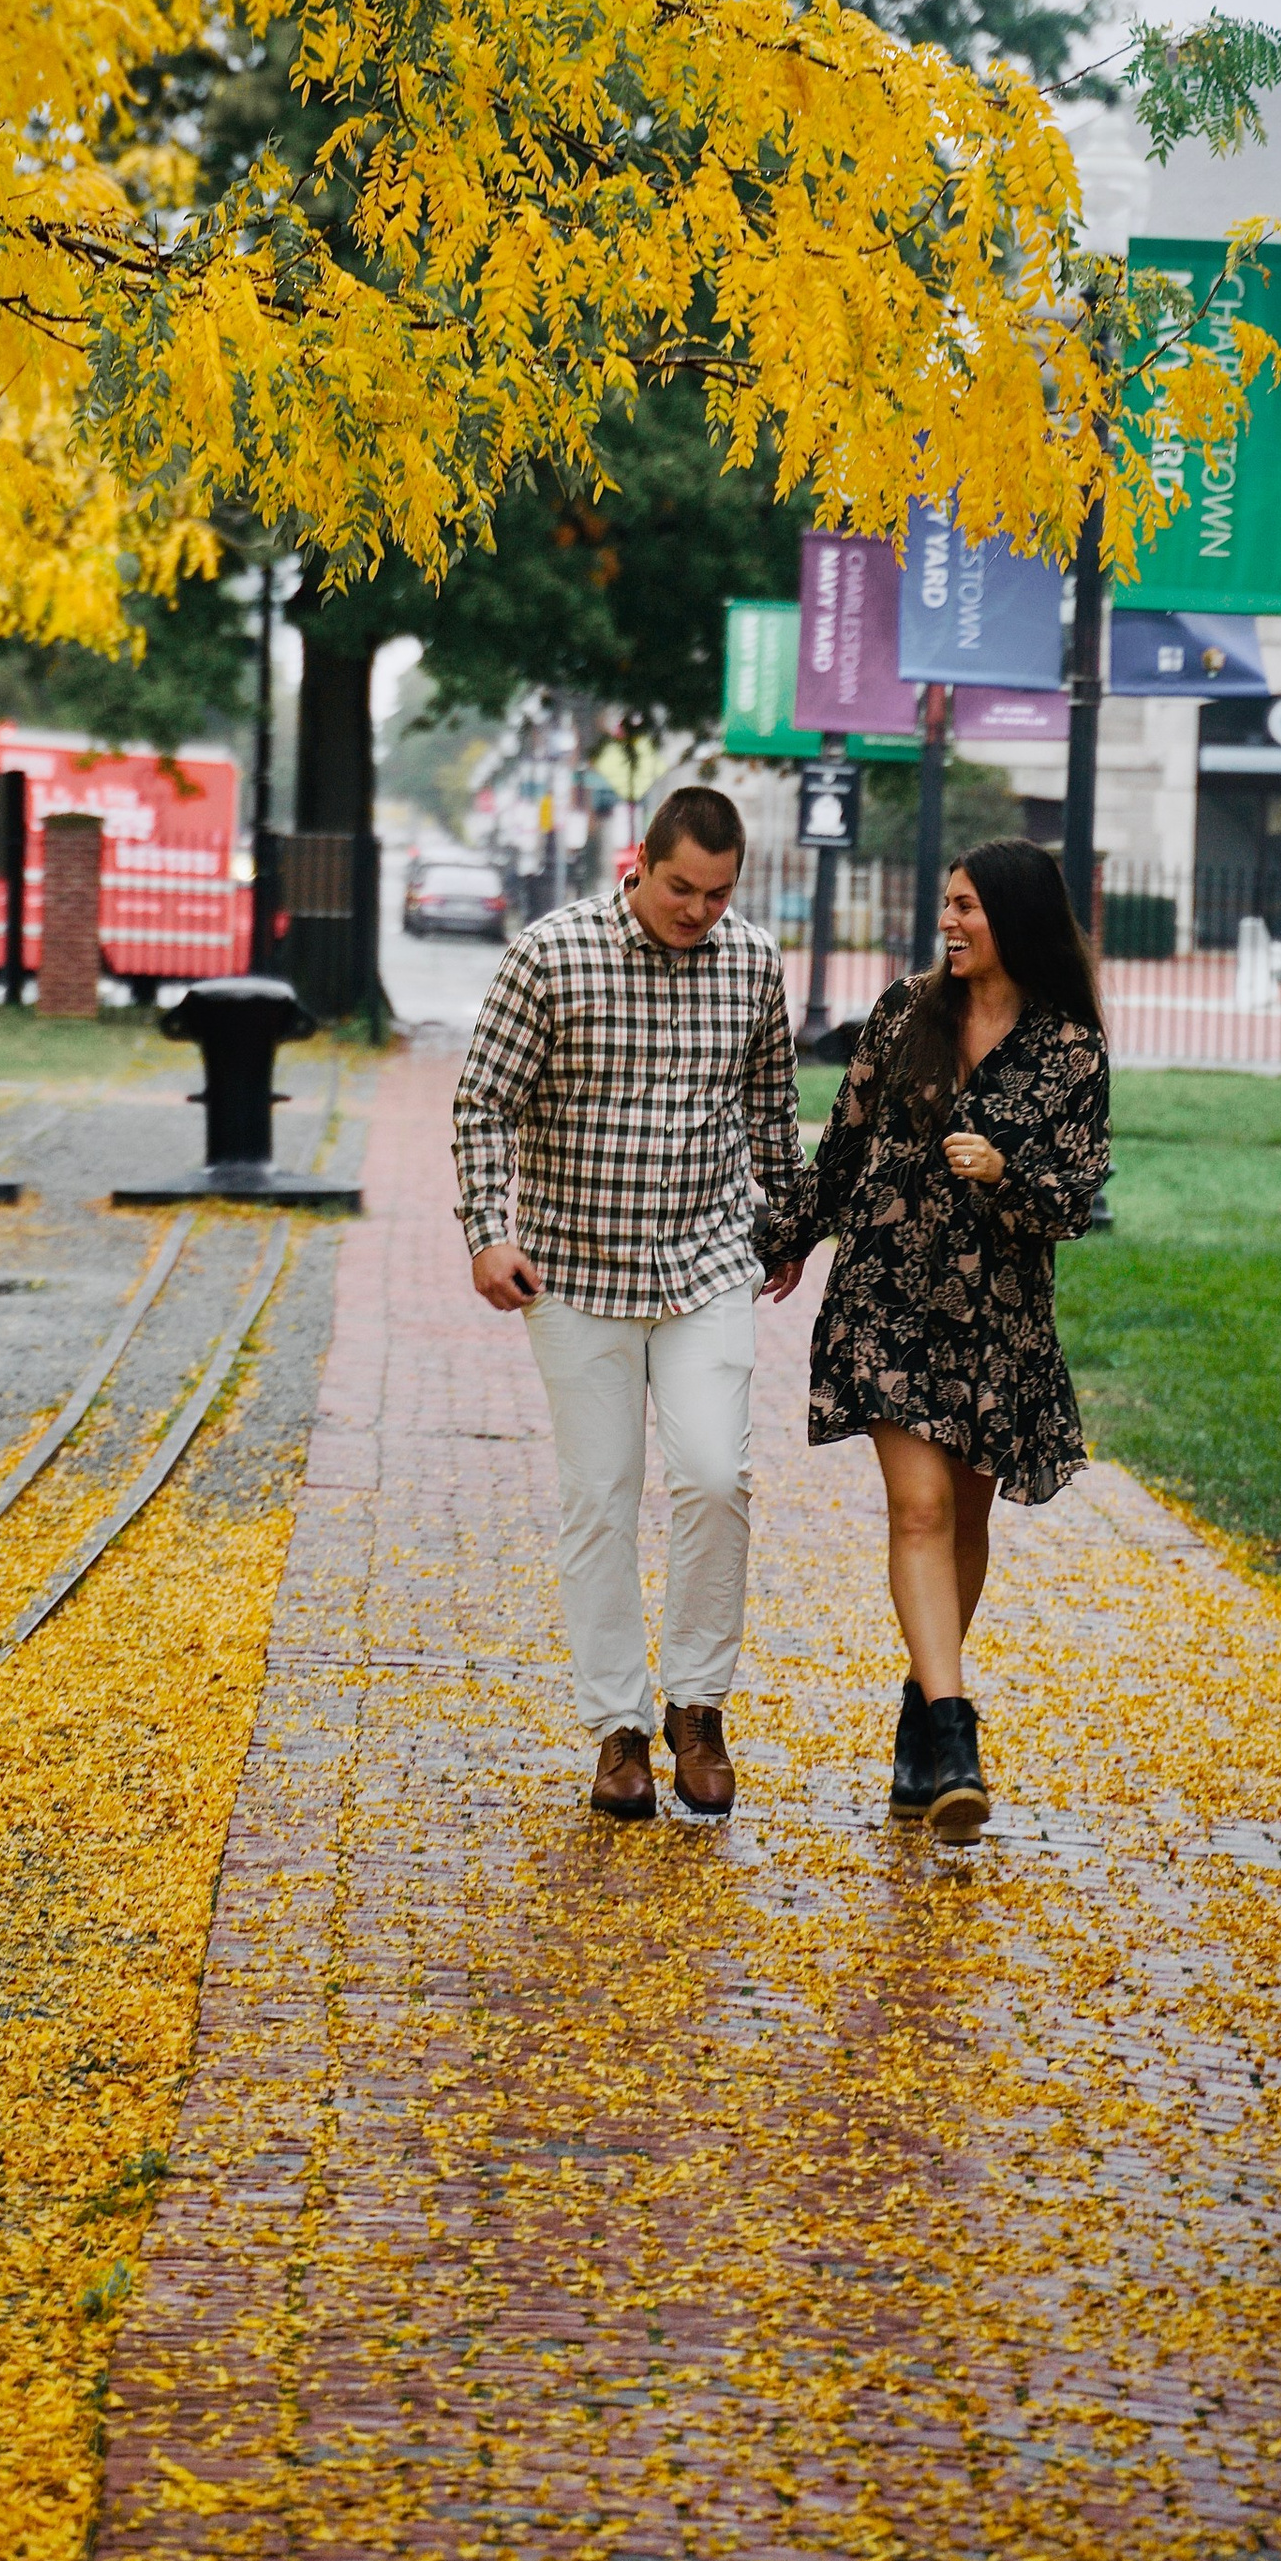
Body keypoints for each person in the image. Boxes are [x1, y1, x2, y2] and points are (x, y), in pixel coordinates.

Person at [453, 783, 808, 1824]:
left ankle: (697, 1705)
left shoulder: (750, 961)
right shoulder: (550, 956)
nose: (697, 910)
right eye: (680, 887)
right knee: (599, 1494)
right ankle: (616, 1728)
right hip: (575, 1270)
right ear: (638, 863)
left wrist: (785, 1218)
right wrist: (487, 1229)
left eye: (717, 892)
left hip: (703, 1262)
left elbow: (771, 1103)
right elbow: (483, 1100)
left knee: (713, 1476)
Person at [759, 838, 1110, 1842]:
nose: (949, 923)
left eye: (967, 907)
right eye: (946, 905)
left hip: (997, 1317)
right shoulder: (903, 1010)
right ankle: (954, 1732)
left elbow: (1073, 1199)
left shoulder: (1070, 1045)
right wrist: (786, 1241)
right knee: (916, 1508)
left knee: (962, 1516)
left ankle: (920, 1724)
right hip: (886, 1297)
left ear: (1015, 916)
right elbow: (846, 1140)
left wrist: (1005, 1171)